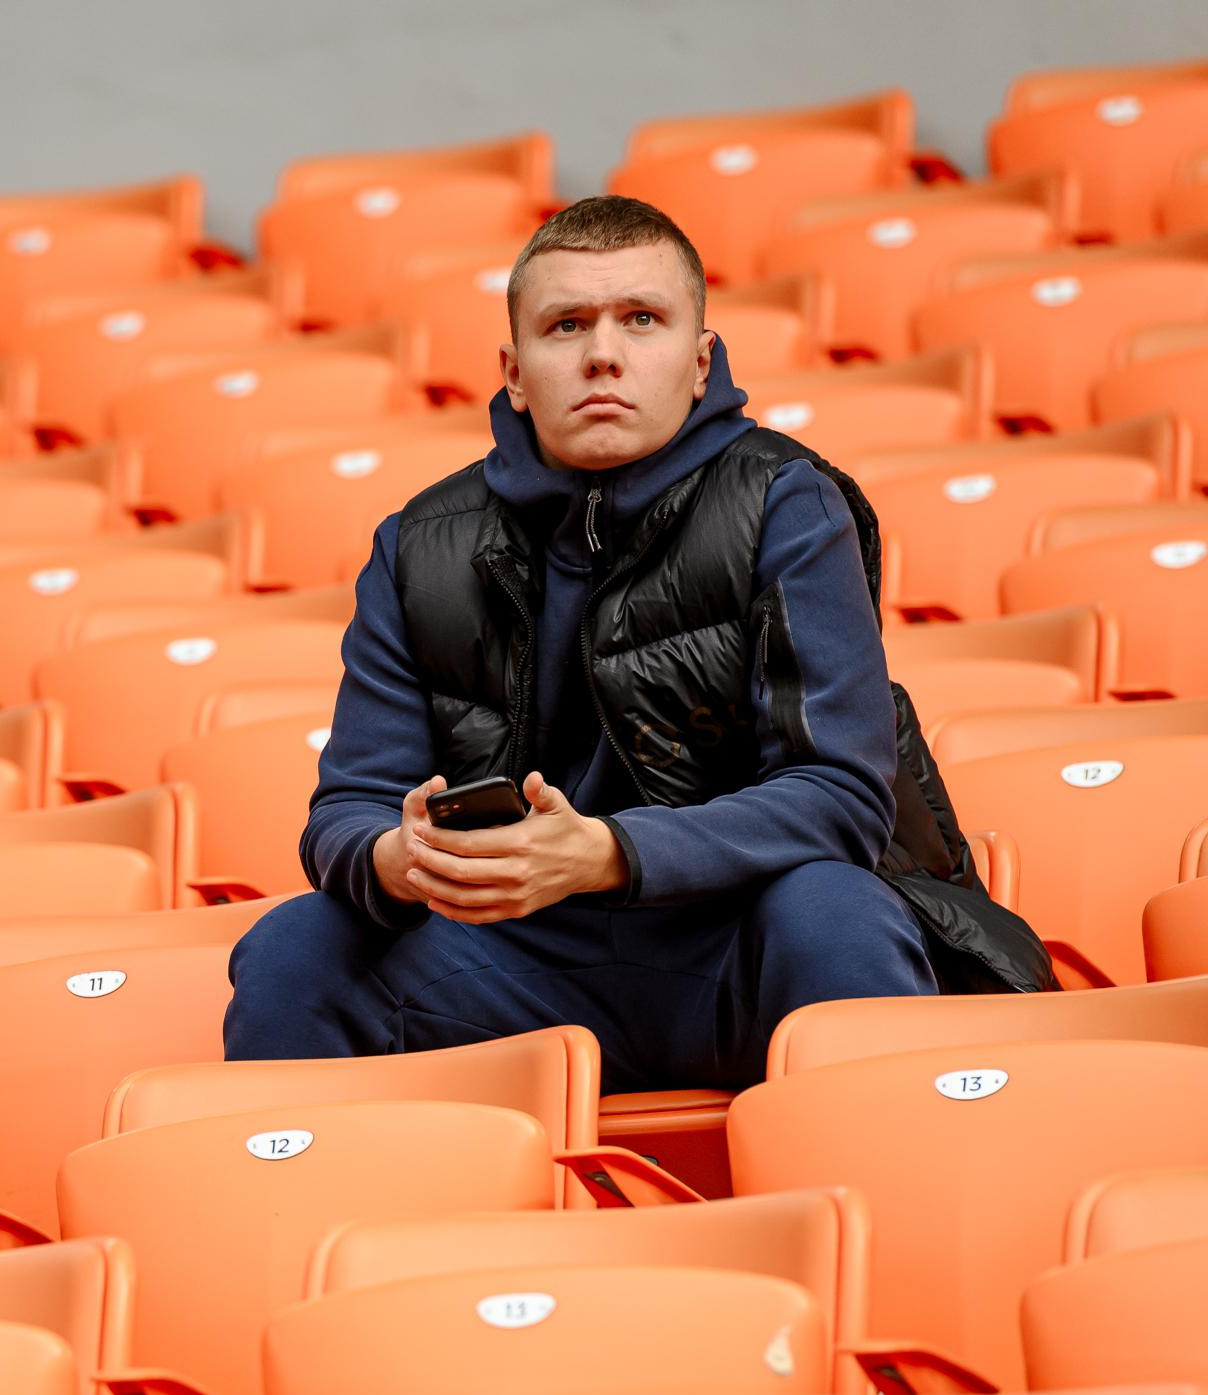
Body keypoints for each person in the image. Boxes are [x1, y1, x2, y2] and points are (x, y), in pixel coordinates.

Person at [223, 196, 1050, 1089]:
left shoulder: (787, 501)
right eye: (565, 324)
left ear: (701, 363)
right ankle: (327, 1225)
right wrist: (402, 856)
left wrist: (609, 852)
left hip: (740, 939)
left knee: (833, 907)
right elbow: (347, 807)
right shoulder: (420, 546)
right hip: (514, 957)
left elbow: (840, 797)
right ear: (513, 370)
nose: (602, 353)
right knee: (296, 946)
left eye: (641, 320)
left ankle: (893, 1209)